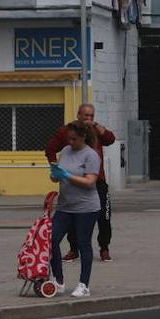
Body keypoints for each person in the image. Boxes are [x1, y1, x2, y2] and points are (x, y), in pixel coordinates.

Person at [45, 104, 115, 261]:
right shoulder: (67, 131)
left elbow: (110, 139)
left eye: (91, 116)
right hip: (74, 181)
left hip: (98, 180)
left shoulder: (96, 130)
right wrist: (56, 168)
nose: (88, 119)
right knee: (73, 215)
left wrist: (95, 125)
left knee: (104, 215)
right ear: (78, 115)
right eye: (85, 115)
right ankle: (73, 248)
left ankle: (104, 248)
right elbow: (50, 148)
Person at [47, 122, 102, 298]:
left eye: (74, 139)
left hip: (86, 208)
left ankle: (84, 284)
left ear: (83, 137)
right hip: (65, 207)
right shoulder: (64, 151)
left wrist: (68, 176)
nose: (70, 142)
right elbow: (57, 177)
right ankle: (58, 280)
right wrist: (55, 175)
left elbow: (90, 182)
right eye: (68, 138)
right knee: (52, 239)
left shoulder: (91, 155)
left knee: (83, 243)